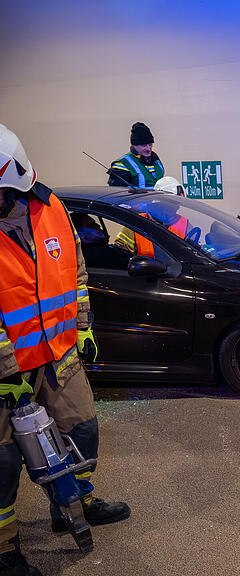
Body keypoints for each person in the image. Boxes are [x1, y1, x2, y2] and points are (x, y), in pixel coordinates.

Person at [0, 124, 130, 576]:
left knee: (83, 427)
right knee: (3, 461)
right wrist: (7, 370)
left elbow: (74, 271)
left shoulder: (51, 207)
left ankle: (74, 502)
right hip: (5, 370)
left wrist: (82, 327)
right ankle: (3, 546)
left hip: (59, 353)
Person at [112, 199, 190, 257]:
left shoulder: (185, 224)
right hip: (146, 275)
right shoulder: (137, 222)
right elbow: (120, 251)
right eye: (169, 209)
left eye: (175, 208)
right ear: (155, 206)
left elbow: (195, 252)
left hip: (179, 275)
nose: (172, 213)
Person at [107, 122, 164, 187]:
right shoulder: (121, 164)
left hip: (159, 197)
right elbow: (118, 194)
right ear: (134, 145)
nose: (148, 148)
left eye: (150, 144)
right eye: (143, 145)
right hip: (138, 197)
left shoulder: (156, 160)